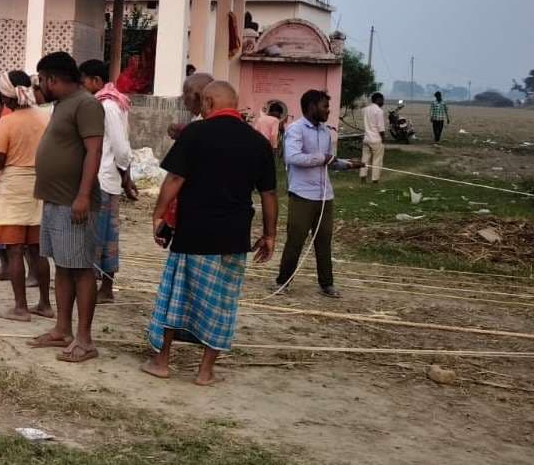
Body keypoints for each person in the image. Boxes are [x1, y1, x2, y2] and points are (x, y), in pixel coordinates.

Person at [141, 80, 278, 386]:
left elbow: (175, 178)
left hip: (193, 232)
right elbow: (269, 193)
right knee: (222, 303)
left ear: (208, 103)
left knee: (177, 297)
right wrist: (270, 235)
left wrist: (158, 214)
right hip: (234, 236)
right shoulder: (258, 142)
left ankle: (162, 362)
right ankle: (205, 371)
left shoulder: (195, 133)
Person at [31, 52, 106, 363]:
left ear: (52, 79)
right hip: (55, 199)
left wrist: (83, 195)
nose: (39, 86)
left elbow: (94, 151)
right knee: (62, 265)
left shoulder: (86, 104)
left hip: (74, 202)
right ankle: (62, 329)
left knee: (80, 268)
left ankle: (84, 339)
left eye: (41, 80)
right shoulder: (63, 104)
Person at [0, 71, 51, 320]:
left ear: (6, 97)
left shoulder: (8, 122)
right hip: (39, 186)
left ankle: (20, 307)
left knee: (15, 250)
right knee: (37, 250)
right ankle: (45, 304)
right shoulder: (45, 116)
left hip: (14, 188)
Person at [275, 89, 358, 298]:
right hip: (302, 195)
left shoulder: (325, 132)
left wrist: (348, 164)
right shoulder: (296, 129)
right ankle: (283, 282)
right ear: (312, 107)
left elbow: (330, 161)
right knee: (295, 240)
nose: (328, 110)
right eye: (325, 106)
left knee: (324, 241)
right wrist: (322, 158)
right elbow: (292, 157)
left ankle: (327, 284)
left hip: (325, 196)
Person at [80, 59, 136, 304]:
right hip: (107, 177)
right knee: (105, 234)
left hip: (103, 177)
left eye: (84, 81)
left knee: (100, 235)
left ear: (96, 81)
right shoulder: (109, 102)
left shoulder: (108, 106)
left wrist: (125, 176)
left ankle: (102, 287)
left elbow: (121, 147)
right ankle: (102, 287)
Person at [361, 92, 386, 183]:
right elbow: (381, 128)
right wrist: (383, 138)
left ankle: (363, 177)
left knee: (364, 159)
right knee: (377, 160)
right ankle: (375, 179)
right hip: (376, 139)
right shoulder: (379, 111)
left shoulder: (365, 109)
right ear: (378, 100)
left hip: (366, 138)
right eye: (382, 100)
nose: (383, 102)